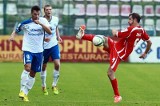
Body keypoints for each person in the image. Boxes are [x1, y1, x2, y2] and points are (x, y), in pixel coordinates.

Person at [76, 13, 152, 103]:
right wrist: (145, 53)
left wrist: (114, 31)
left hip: (119, 52)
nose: (128, 21)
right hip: (117, 46)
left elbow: (116, 34)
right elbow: (149, 42)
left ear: (135, 20)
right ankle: (82, 36)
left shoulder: (131, 29)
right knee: (103, 39)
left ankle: (117, 96)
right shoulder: (142, 30)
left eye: (130, 19)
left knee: (110, 73)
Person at [9, 5, 52, 102]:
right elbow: (16, 30)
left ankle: (25, 93)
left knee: (33, 73)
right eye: (34, 14)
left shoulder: (43, 21)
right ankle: (21, 89)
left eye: (38, 14)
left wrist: (40, 23)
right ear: (31, 13)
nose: (36, 16)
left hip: (39, 51)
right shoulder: (26, 23)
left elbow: (49, 31)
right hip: (28, 49)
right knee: (27, 68)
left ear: (39, 14)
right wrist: (12, 35)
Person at [40, 5, 62, 95]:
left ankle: (54, 85)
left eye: (50, 9)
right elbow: (37, 32)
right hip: (43, 46)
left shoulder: (56, 19)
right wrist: (43, 39)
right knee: (44, 66)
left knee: (57, 64)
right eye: (47, 10)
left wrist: (58, 36)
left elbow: (56, 27)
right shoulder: (41, 20)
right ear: (44, 11)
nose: (49, 11)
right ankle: (43, 86)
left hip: (53, 44)